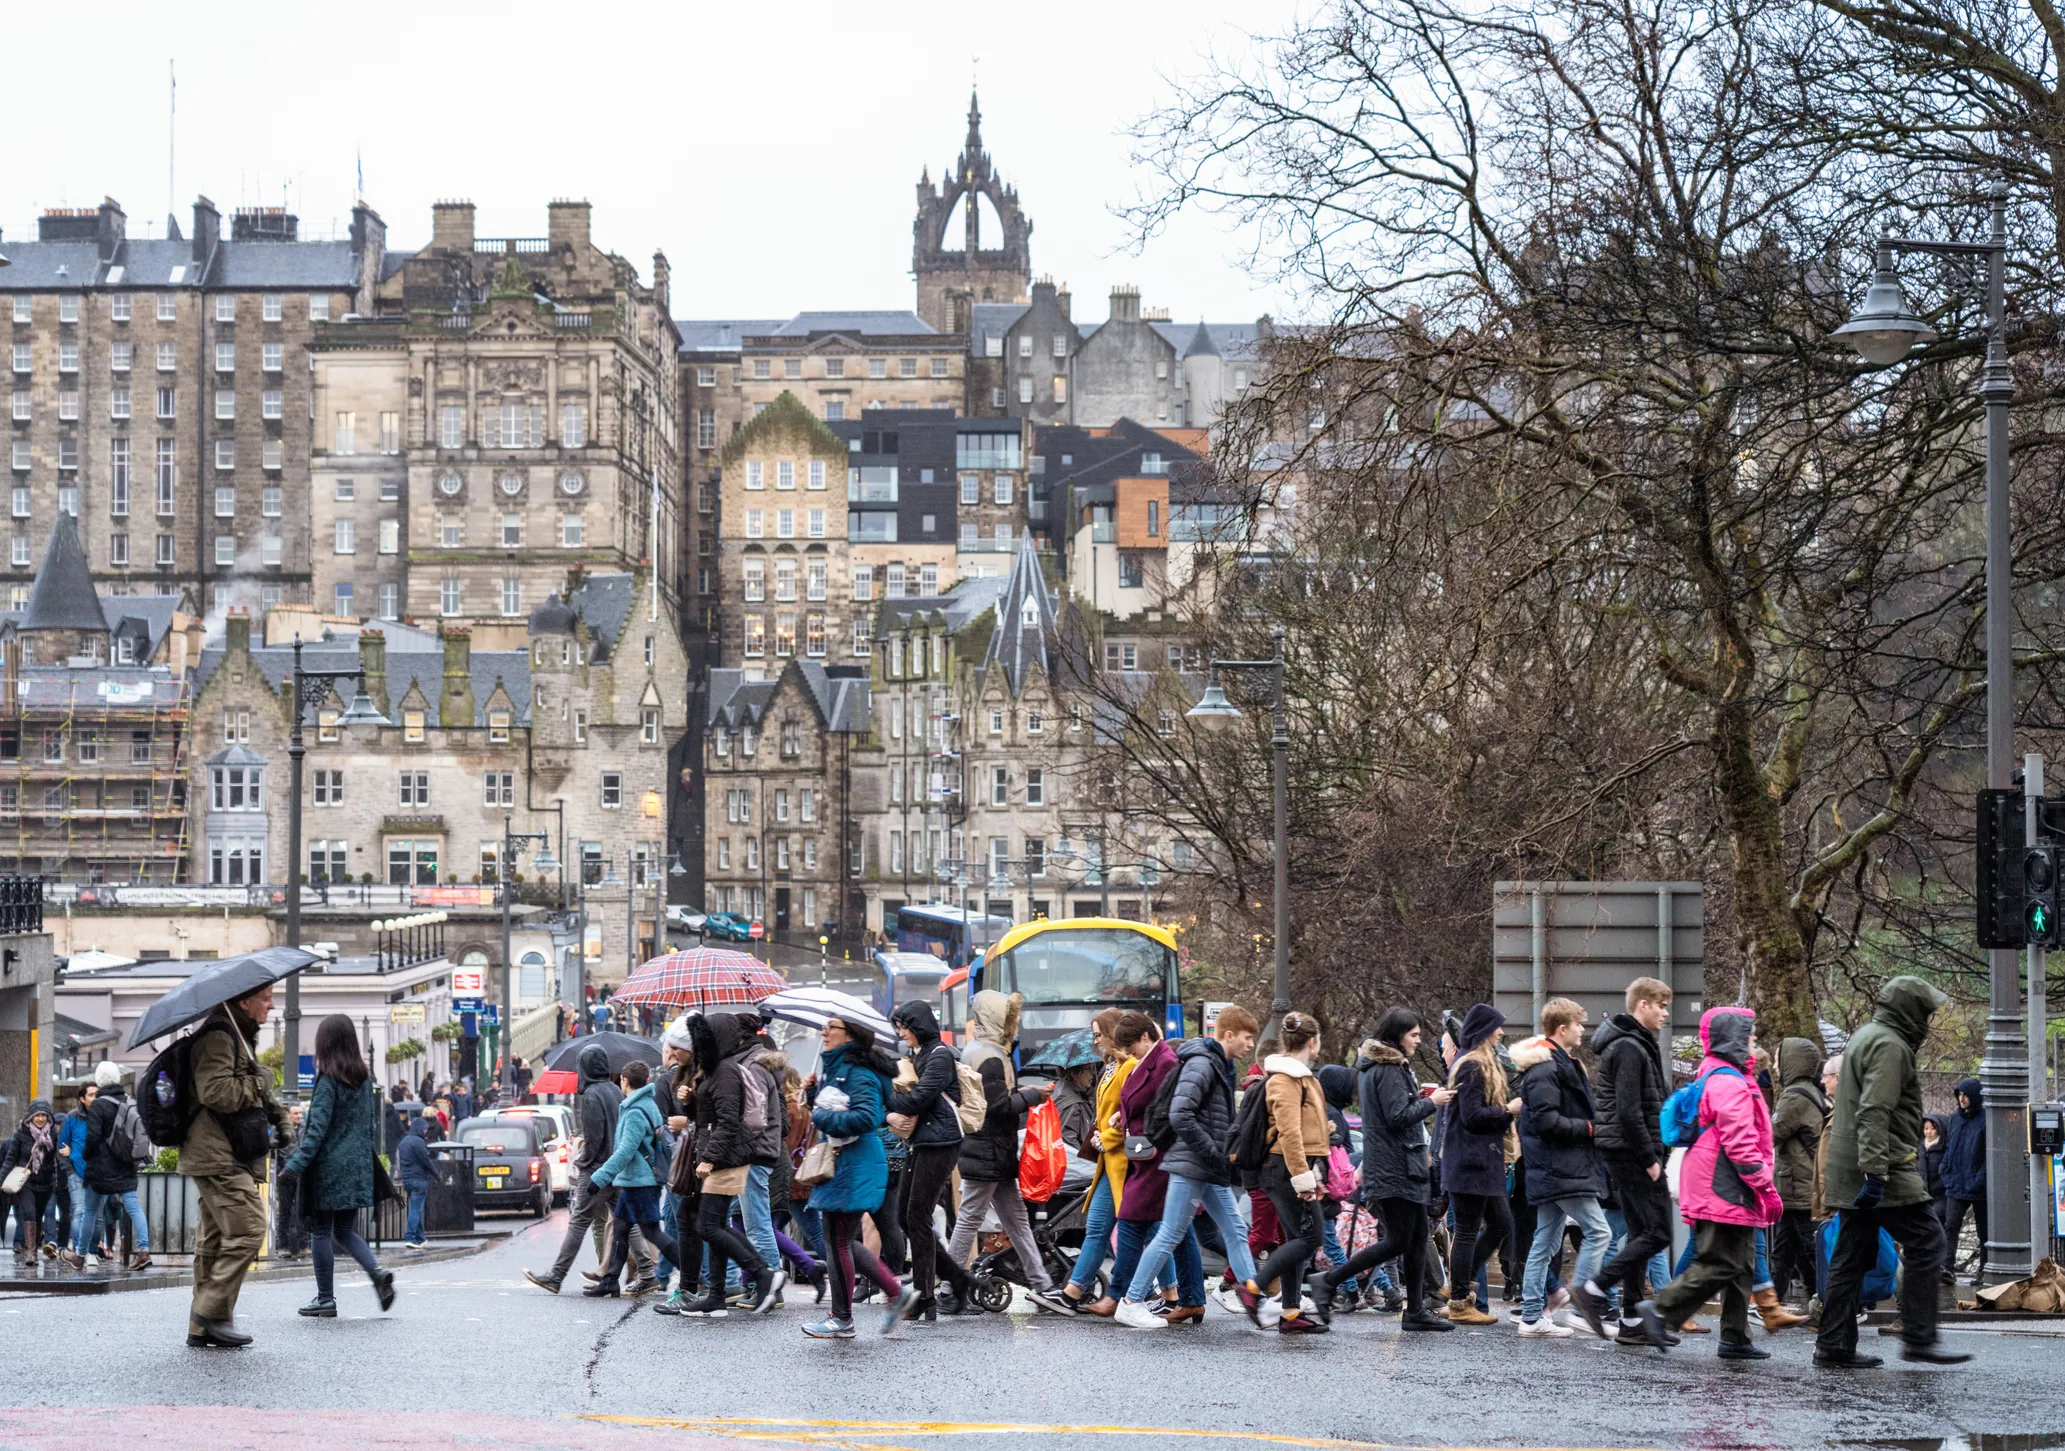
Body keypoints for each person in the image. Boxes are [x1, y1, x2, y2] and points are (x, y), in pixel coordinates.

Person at [1815, 975, 1970, 1368]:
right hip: (1882, 1165)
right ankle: (1919, 1338)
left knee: (1851, 1254)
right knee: (1928, 1239)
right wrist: (1875, 1173)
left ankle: (1833, 1345)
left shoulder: (1867, 1035)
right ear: (1911, 1011)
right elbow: (1874, 1110)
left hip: (1852, 1163)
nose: (1929, 1020)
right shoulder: (1891, 1045)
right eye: (1926, 1012)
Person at [1645, 1007, 1782, 1358]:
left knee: (1742, 1260)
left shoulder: (1723, 1077)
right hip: (1723, 1183)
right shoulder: (1729, 1082)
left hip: (1721, 1180)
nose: (1754, 1043)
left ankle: (1735, 1336)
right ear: (1735, 1041)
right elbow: (1739, 1141)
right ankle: (1661, 1310)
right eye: (1751, 1037)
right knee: (1722, 1261)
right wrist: (1763, 1184)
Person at [1120, 1005, 1263, 1326]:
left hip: (1205, 1164)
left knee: (1235, 1229)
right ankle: (1130, 1301)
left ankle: (1256, 1298)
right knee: (1170, 1233)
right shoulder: (1202, 1063)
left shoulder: (1216, 1063)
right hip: (1194, 1164)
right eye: (1247, 1037)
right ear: (1229, 1034)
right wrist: (1213, 1151)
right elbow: (1180, 1113)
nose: (1250, 1044)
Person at [1313, 1009, 1455, 1331]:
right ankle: (1331, 1280)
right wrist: (1433, 1102)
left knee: (1417, 1236)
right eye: (1415, 1035)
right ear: (1398, 1035)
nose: (1419, 1041)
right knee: (1400, 1240)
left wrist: (1417, 1099)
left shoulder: (1378, 1068)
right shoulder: (1389, 1068)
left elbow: (1392, 1110)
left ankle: (1416, 1311)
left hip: (1397, 1165)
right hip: (1396, 1168)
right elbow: (1396, 1117)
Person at [945, 990, 1071, 1314]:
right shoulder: (990, 1057)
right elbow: (998, 1107)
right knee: (973, 1219)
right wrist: (1032, 1095)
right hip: (989, 1149)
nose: (1012, 1025)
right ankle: (948, 1287)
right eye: (1008, 1018)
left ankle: (1042, 1283)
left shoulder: (977, 1049)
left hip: (989, 1151)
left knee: (1015, 1221)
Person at [184, 982, 292, 1348]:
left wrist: (280, 1118)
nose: (272, 1005)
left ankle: (203, 1328)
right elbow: (215, 1091)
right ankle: (210, 1312)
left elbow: (252, 1085)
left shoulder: (238, 1034)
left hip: (223, 1150)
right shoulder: (219, 1036)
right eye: (266, 998)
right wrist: (260, 1083)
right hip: (216, 1153)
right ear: (244, 1001)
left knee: (214, 1239)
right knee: (249, 1228)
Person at [1577, 978, 1673, 1344]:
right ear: (1643, 1005)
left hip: (1625, 1150)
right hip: (1633, 1152)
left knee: (1639, 1231)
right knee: (1659, 1231)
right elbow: (1629, 1110)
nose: (1665, 1012)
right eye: (1660, 1005)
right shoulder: (1630, 1048)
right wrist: (1649, 1157)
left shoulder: (1633, 1044)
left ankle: (1632, 1319)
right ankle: (1595, 1288)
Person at [280, 1014, 395, 1318]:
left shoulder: (328, 1081)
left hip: (330, 1168)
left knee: (321, 1230)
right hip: (359, 1166)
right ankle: (376, 1272)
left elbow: (315, 1130)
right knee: (345, 1230)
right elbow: (369, 1126)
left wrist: (294, 1165)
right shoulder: (365, 1079)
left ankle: (325, 1298)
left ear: (325, 1044)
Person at [803, 1015, 908, 1338]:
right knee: (840, 1241)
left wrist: (820, 1115)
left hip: (853, 1163)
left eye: (831, 1026)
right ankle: (893, 1292)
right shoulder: (841, 1067)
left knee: (837, 1241)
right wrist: (812, 1097)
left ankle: (843, 1317)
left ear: (850, 1034)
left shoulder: (857, 1071)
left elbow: (865, 1117)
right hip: (848, 1163)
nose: (824, 1031)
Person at [1511, 998, 1610, 1338]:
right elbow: (1545, 1121)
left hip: (1556, 1168)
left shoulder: (1556, 1064)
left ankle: (1530, 1317)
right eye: (1579, 1024)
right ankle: (1583, 1296)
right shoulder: (1546, 1069)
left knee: (1545, 1243)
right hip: (1560, 1168)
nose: (1584, 1030)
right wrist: (1588, 1128)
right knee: (1600, 1232)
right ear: (1562, 1028)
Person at [678, 1013, 780, 1315]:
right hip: (719, 1157)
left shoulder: (725, 1072)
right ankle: (718, 1297)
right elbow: (707, 1118)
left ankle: (761, 1273)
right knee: (714, 1225)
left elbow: (729, 1122)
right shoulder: (713, 1071)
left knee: (708, 1226)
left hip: (725, 1159)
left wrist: (709, 1158)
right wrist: (690, 1102)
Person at [1238, 1010, 1332, 1334]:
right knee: (1310, 1237)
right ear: (1312, 1040)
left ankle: (1291, 1313)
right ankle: (1253, 1289)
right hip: (1284, 1167)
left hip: (1291, 1166)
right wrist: (1303, 1178)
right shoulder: (1285, 1079)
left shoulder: (1301, 1077)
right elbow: (1290, 1134)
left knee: (1297, 1238)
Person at [1109, 1012, 1204, 1327]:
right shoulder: (1153, 1060)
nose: (1127, 1052)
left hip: (1155, 1156)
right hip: (1147, 1153)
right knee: (1178, 1228)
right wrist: (1121, 1119)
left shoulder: (1164, 1062)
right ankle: (1191, 1299)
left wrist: (1136, 1133)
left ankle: (1124, 1297)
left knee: (1132, 1223)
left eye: (1130, 1045)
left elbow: (1166, 1111)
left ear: (1145, 1037)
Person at [887, 999, 972, 1325]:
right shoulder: (919, 1055)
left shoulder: (939, 1056)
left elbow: (918, 1098)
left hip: (942, 1142)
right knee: (906, 1217)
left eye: (904, 1027)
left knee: (917, 1216)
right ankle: (957, 1278)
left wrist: (889, 1101)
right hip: (924, 1141)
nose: (902, 1033)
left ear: (918, 1025)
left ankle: (925, 1296)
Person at [1442, 1003, 1520, 1324]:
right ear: (1484, 1031)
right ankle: (1460, 1300)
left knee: (1500, 1225)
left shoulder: (1478, 1063)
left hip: (1480, 1162)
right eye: (1496, 1027)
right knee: (1467, 1230)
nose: (1501, 1033)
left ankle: (1457, 1286)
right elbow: (1472, 1117)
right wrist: (1508, 1111)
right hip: (1470, 1162)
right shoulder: (1472, 1066)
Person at [584, 1060, 687, 1302]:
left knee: (653, 1233)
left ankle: (695, 1276)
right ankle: (610, 1281)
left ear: (625, 1081)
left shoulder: (634, 1112)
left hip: (640, 1183)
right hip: (635, 1182)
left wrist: (599, 1177)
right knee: (620, 1228)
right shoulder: (646, 1105)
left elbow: (625, 1151)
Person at [1062, 1009, 1131, 1314]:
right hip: (1108, 1161)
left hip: (1124, 1161)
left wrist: (1107, 1138)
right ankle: (1072, 1291)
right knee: (1097, 1228)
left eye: (1099, 1034)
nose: (1096, 1041)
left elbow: (1131, 1116)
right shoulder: (1111, 1067)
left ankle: (1166, 1294)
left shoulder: (1126, 1067)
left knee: (1150, 1232)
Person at [69, 1060, 152, 1271]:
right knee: (133, 1207)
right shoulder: (128, 1101)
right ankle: (143, 1252)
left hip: (100, 1168)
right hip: (125, 1165)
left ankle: (79, 1255)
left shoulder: (98, 1104)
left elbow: (93, 1136)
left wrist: (85, 1154)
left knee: (89, 1211)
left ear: (100, 1080)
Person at [1770, 1036, 1827, 1308]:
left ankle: (1831, 1303)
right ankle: (1772, 1305)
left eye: (1778, 1058)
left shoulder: (1793, 1097)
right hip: (1800, 1186)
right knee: (1788, 1250)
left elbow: (1771, 1134)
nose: (1774, 1064)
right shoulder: (1811, 1092)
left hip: (1798, 1186)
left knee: (1810, 1250)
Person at [0, 1099, 62, 1259]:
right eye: (37, 1115)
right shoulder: (22, 1132)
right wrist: (1, 1178)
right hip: (26, 1180)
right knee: (28, 1213)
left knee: (38, 1215)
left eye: (44, 1115)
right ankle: (30, 1252)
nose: (40, 1119)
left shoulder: (54, 1133)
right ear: (31, 1117)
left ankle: (33, 1246)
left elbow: (59, 1157)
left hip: (46, 1182)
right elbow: (10, 1158)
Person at [1939, 1076, 1986, 1283]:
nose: (1962, 1099)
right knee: (1951, 1225)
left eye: (1966, 1095)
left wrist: (1979, 1179)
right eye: (1960, 1094)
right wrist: (1945, 1170)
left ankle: (1985, 1270)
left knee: (1984, 1231)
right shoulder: (1955, 1118)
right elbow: (1949, 1147)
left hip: (1978, 1185)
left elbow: (1989, 1155)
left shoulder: (1986, 1119)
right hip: (1956, 1182)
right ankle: (1947, 1268)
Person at [395, 1107, 435, 1250]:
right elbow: (426, 1161)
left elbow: (399, 1162)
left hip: (407, 1180)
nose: (425, 1132)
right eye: (424, 1129)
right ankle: (410, 1237)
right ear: (419, 1129)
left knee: (416, 1209)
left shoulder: (403, 1142)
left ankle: (420, 1238)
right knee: (416, 1210)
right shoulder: (418, 1142)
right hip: (419, 1180)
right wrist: (436, 1175)